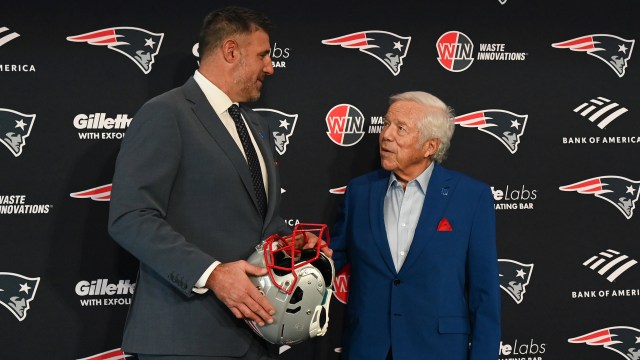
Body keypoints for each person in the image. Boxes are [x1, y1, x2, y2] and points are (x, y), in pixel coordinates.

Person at [108, 6, 302, 359]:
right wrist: (211, 273)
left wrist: (296, 247)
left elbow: (259, 221)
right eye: (263, 55)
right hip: (185, 339)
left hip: (257, 335)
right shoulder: (165, 114)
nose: (271, 67)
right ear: (231, 51)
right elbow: (130, 217)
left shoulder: (257, 126)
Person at [330, 91, 501, 360]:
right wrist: (306, 257)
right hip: (368, 348)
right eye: (386, 124)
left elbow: (485, 294)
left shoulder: (471, 197)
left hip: (437, 350)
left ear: (430, 146)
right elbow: (333, 258)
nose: (386, 135)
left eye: (400, 129)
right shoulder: (359, 192)